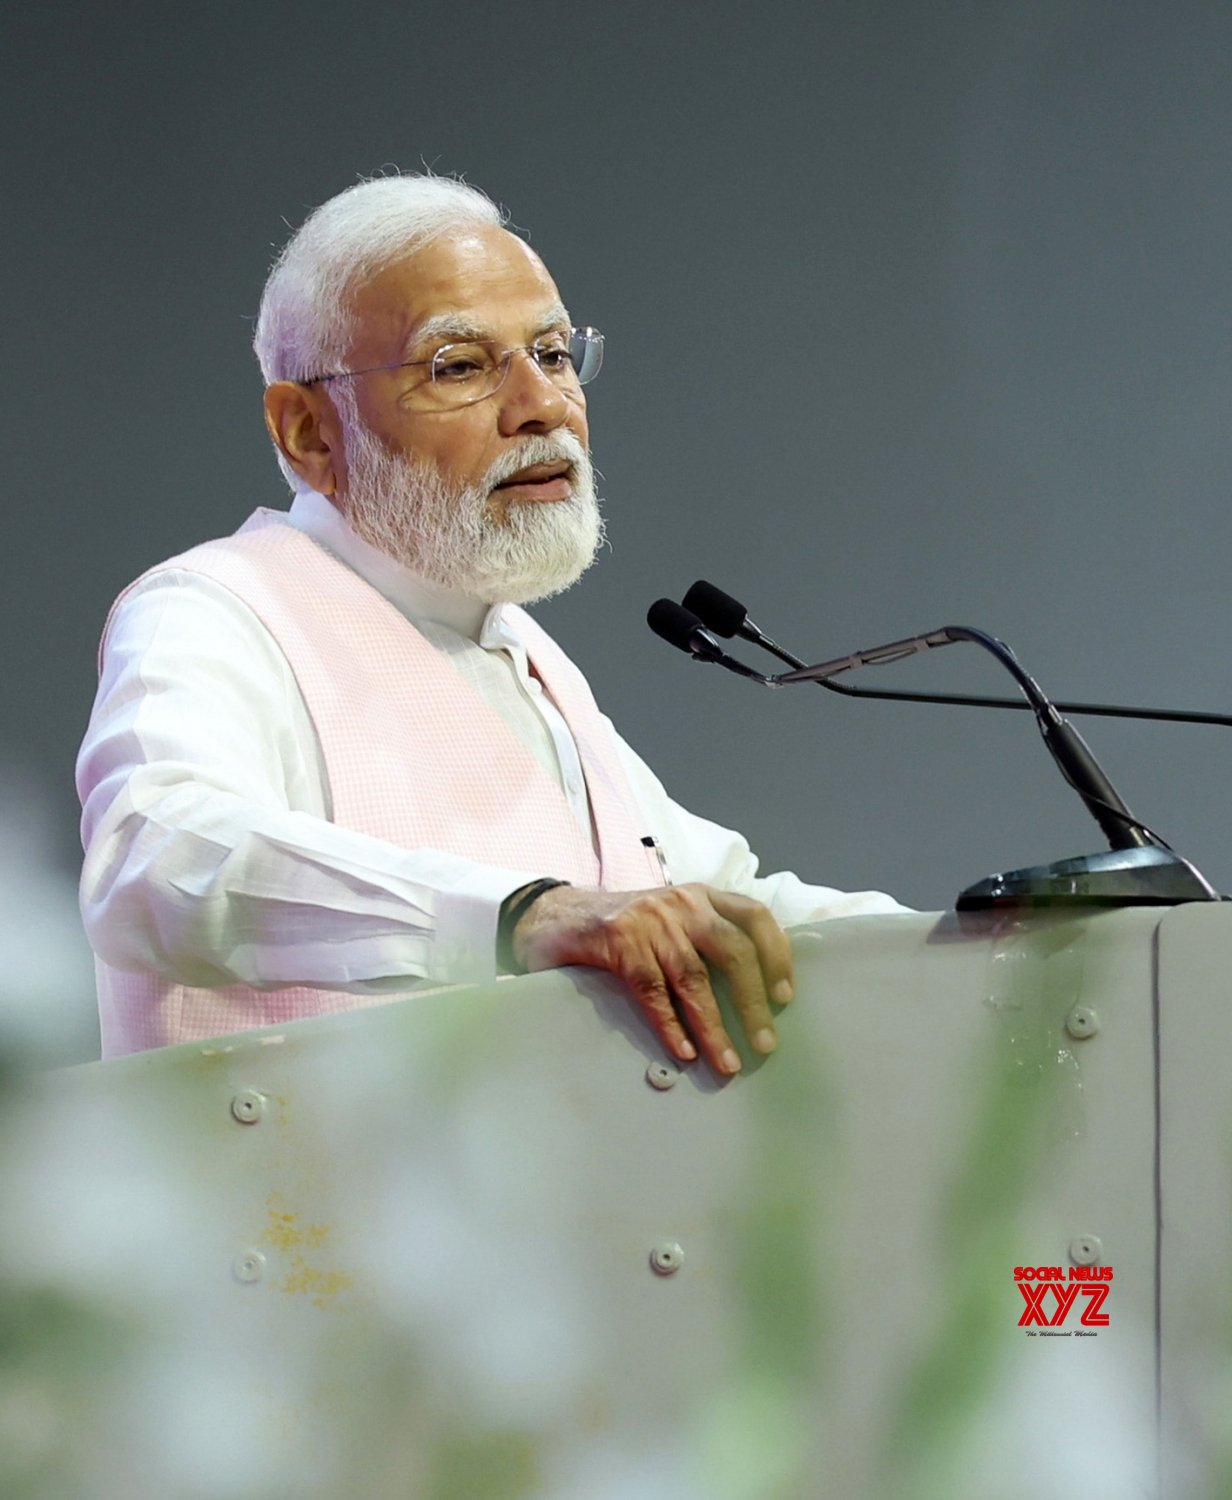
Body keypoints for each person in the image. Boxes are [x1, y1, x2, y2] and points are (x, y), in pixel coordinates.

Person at [76, 173, 904, 1072]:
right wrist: (525, 915)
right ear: (310, 432)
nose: (543, 406)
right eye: (461, 367)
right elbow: (154, 860)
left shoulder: (515, 650)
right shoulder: (213, 609)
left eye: (552, 354)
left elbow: (713, 899)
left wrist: (991, 933)